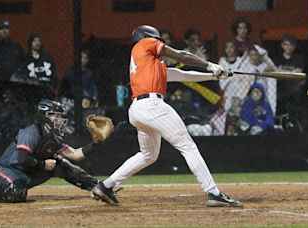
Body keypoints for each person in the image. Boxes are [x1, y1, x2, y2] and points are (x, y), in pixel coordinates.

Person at [90, 25, 241, 207]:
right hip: (152, 105)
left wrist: (214, 76)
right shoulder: (146, 43)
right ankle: (214, 192)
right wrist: (210, 64)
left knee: (148, 155)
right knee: (188, 146)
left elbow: (181, 75)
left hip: (138, 109)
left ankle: (106, 186)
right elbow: (181, 56)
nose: (161, 44)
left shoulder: (146, 63)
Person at [0, 100, 104, 203]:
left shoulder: (54, 138)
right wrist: (43, 165)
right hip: (9, 171)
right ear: (44, 117)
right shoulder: (30, 133)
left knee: (62, 164)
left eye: (60, 116)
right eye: (55, 116)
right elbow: (22, 159)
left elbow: (76, 155)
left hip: (28, 174)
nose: (59, 120)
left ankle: (97, 187)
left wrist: (96, 143)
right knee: (16, 194)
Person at [273, 34, 305, 120]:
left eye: (291, 45)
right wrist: (290, 73)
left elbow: (297, 74)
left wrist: (282, 72)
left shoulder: (299, 58)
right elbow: (276, 73)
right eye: (286, 44)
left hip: (293, 85)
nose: (289, 47)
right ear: (282, 45)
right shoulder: (277, 58)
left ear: (294, 46)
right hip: (280, 85)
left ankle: (294, 118)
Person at [0, 20, 24, 85]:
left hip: (14, 81)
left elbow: (22, 64)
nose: (4, 31)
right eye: (2, 29)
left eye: (6, 28)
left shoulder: (17, 47)